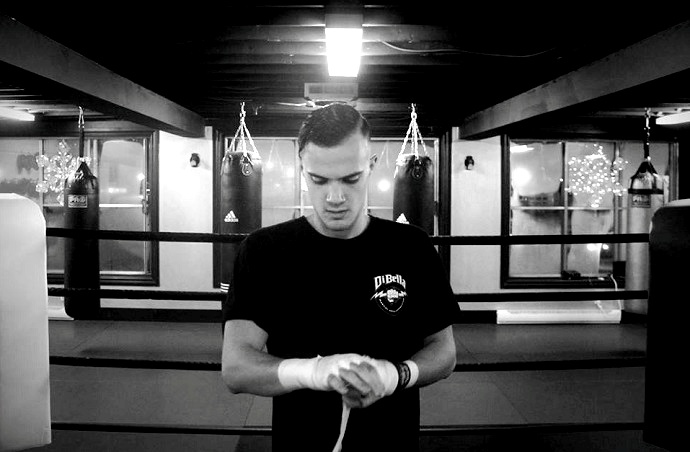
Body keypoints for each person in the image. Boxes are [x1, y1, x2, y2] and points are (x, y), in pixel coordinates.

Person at [221, 102, 460, 452]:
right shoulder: (264, 251)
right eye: (319, 180)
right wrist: (314, 372)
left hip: (393, 443)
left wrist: (395, 375)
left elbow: (445, 352)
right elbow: (235, 367)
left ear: (371, 166)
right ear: (302, 169)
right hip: (300, 444)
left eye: (351, 179)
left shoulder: (412, 247)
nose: (335, 197)